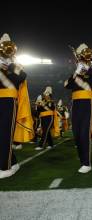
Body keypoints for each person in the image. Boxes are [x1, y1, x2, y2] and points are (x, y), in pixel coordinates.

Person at [64, 43, 92, 173]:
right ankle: (83, 158)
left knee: (84, 132)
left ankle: (87, 163)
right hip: (75, 104)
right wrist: (76, 72)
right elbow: (66, 85)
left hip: (87, 103)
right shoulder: (75, 76)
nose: (82, 60)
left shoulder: (91, 75)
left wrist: (88, 69)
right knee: (77, 134)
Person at [0, 33, 33, 179]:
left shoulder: (15, 65)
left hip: (8, 100)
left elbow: (21, 77)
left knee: (5, 134)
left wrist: (10, 64)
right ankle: (13, 163)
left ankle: (5, 167)